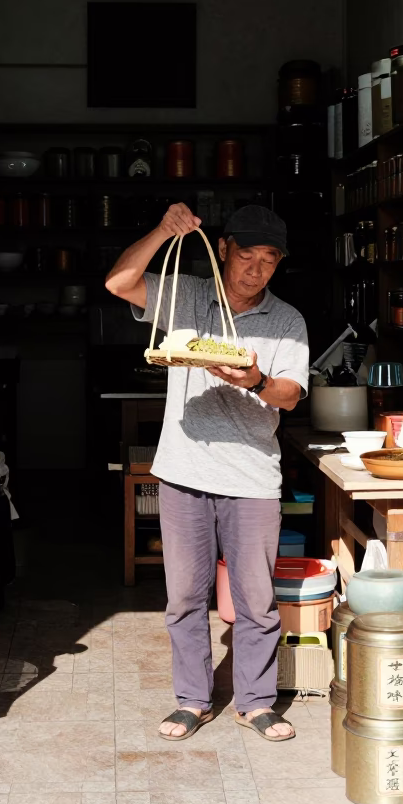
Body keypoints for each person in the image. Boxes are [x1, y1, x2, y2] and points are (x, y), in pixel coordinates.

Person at [105, 202, 309, 742]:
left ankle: (256, 703)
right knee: (185, 598)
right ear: (222, 250)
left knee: (257, 602)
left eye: (269, 260)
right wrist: (161, 230)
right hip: (184, 471)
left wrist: (255, 380)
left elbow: (290, 394)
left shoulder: (287, 320)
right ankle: (192, 700)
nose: (256, 270)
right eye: (247, 255)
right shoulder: (189, 296)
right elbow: (119, 282)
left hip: (253, 478)